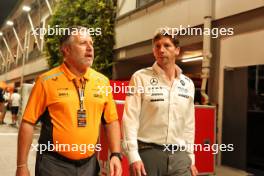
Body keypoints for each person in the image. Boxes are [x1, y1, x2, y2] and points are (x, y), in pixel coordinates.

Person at [16, 26, 122, 176]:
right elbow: (28, 123)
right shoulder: (46, 81)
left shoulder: (102, 82)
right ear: (66, 50)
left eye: (91, 43)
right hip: (53, 165)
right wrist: (21, 165)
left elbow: (111, 121)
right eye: (83, 43)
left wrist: (116, 155)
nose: (90, 48)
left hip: (89, 165)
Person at [122, 27, 198, 176]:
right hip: (148, 154)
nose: (161, 50)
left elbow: (189, 124)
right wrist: (133, 156)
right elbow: (130, 119)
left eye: (167, 45)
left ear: (177, 50)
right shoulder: (140, 77)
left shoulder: (188, 83)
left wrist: (191, 158)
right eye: (157, 46)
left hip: (180, 156)